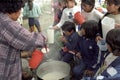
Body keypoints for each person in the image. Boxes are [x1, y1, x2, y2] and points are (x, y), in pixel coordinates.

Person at [0, 0, 47, 80]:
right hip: (5, 74)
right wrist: (45, 37)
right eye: (20, 10)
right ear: (14, 10)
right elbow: (32, 41)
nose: (20, 14)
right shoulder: (7, 24)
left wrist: (20, 71)